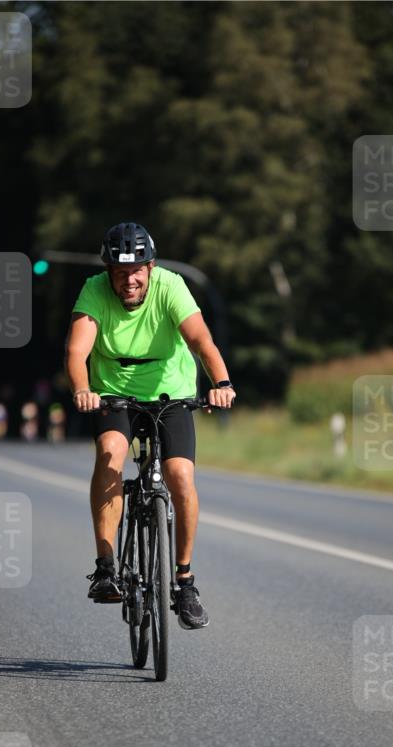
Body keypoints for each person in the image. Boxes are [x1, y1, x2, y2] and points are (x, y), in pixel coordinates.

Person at [65, 222, 235, 629]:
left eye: (137, 271)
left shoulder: (171, 286)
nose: (130, 281)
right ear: (108, 272)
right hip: (112, 393)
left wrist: (222, 383)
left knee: (180, 476)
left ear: (151, 267)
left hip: (170, 392)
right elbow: (76, 351)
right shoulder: (93, 291)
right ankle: (106, 567)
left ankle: (184, 582)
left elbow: (201, 341)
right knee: (110, 453)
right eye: (120, 273)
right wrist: (83, 389)